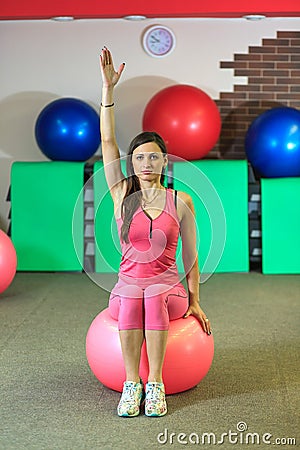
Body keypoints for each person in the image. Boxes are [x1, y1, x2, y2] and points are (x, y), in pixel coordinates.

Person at [99, 47, 212, 418]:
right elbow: (107, 142)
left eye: (153, 156)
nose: (146, 163)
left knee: (151, 296)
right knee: (134, 295)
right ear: (129, 163)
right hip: (128, 287)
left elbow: (191, 256)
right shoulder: (121, 194)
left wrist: (195, 300)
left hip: (170, 291)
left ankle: (156, 384)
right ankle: (133, 384)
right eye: (138, 157)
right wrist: (108, 92)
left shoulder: (181, 201)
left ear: (165, 160)